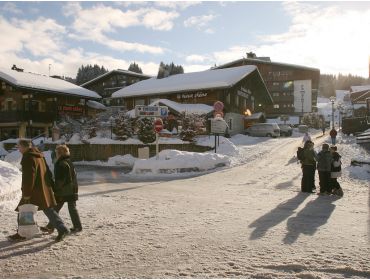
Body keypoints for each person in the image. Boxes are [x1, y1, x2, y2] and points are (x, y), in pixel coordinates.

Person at [8, 139, 69, 242]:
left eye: (19, 147)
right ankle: (62, 229)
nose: (18, 150)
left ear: (25, 147)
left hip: (33, 191)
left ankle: (22, 234)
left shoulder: (28, 157)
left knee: (23, 210)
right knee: (48, 210)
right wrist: (50, 186)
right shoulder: (39, 155)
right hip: (43, 189)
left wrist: (26, 194)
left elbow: (29, 177)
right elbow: (48, 172)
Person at [40, 144, 82, 234]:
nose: (55, 154)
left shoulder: (61, 163)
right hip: (72, 188)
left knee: (56, 208)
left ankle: (51, 226)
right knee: (71, 208)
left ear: (59, 153)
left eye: (56, 152)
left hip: (64, 190)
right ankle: (77, 227)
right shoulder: (69, 161)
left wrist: (55, 188)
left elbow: (60, 179)